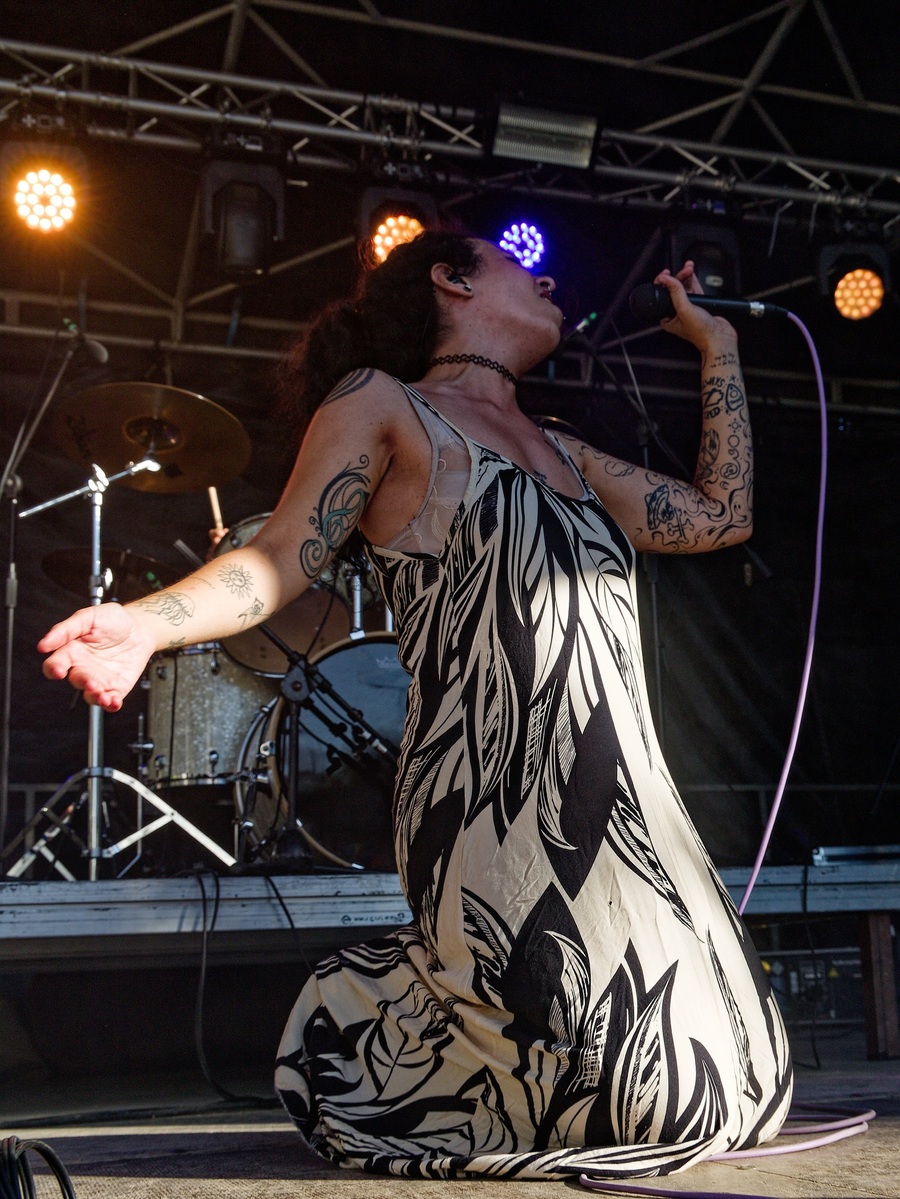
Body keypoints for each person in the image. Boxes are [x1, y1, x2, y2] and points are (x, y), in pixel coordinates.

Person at [39, 231, 792, 1179]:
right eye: (517, 264)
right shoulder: (385, 404)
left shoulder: (565, 450)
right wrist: (146, 623)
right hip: (494, 788)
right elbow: (279, 556)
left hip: (625, 790)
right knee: (645, 1094)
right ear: (449, 279)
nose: (548, 276)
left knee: (744, 1080)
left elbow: (723, 514)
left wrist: (719, 350)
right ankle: (360, 1030)